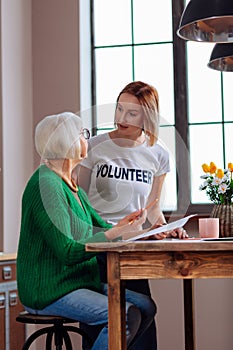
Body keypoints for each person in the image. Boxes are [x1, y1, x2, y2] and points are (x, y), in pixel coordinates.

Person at [16, 112, 158, 350]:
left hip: (77, 282)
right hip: (51, 289)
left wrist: (133, 227)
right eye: (82, 134)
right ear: (67, 142)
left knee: (145, 306)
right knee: (124, 315)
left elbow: (102, 229)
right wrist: (115, 233)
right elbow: (68, 251)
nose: (86, 139)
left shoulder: (73, 188)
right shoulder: (46, 185)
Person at [74, 81, 188, 350]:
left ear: (147, 116)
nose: (120, 118)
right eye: (119, 109)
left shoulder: (158, 153)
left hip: (133, 250)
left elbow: (153, 209)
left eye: (131, 113)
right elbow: (78, 199)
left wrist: (166, 228)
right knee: (100, 323)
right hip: (98, 247)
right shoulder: (94, 146)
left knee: (140, 325)